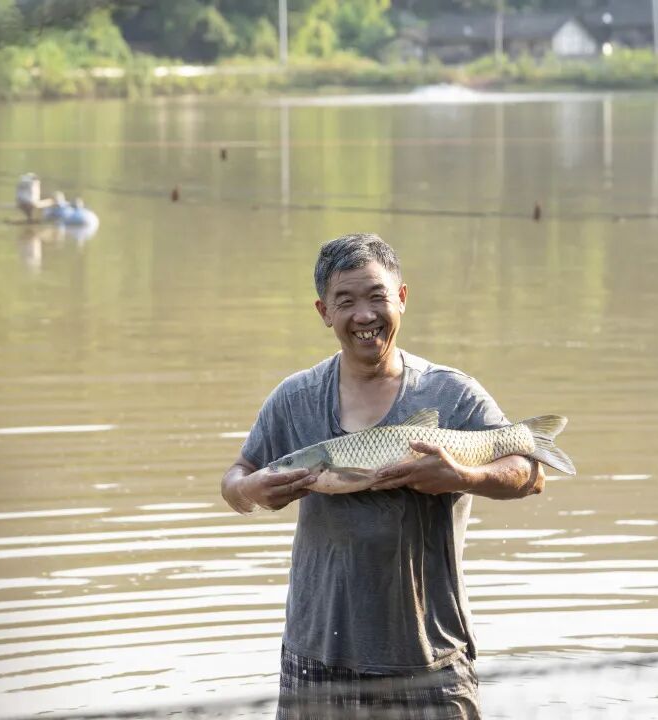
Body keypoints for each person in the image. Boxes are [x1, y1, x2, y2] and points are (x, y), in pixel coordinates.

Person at [220, 233, 545, 719]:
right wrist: (249, 489)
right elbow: (236, 478)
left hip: (429, 655)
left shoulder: (452, 393)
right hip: (318, 654)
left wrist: (462, 477)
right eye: (345, 301)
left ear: (402, 299)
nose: (364, 315)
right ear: (324, 312)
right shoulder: (295, 398)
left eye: (377, 296)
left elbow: (531, 473)